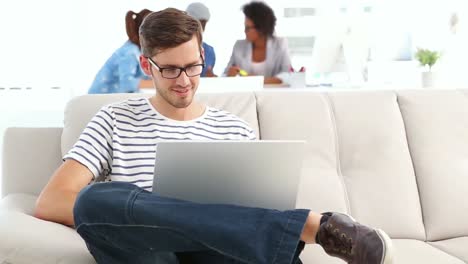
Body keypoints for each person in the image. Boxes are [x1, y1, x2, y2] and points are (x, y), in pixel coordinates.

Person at [35, 8, 393, 264]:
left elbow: (254, 217)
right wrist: (162, 216)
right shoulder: (114, 118)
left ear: (203, 56)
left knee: (248, 238)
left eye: (192, 66)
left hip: (220, 253)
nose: (184, 80)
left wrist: (198, 223)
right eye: (170, 69)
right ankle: (315, 227)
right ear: (147, 66)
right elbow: (52, 202)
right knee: (94, 200)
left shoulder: (234, 129)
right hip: (147, 252)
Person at [88, 9, 153, 94]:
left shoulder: (141, 51)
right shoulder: (130, 52)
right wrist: (157, 83)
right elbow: (128, 84)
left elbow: (147, 74)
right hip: (99, 101)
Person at [225, 2, 291, 85]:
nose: (245, 31)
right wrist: (230, 75)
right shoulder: (239, 46)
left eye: (248, 28)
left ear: (261, 28)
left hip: (273, 94)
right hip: (246, 95)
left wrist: (256, 81)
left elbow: (288, 74)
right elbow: (226, 73)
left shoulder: (280, 44)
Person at [186, 2, 217, 77]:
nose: (202, 27)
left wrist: (213, 78)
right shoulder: (176, 48)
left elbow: (209, 75)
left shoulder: (209, 51)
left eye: (204, 23)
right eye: (200, 22)